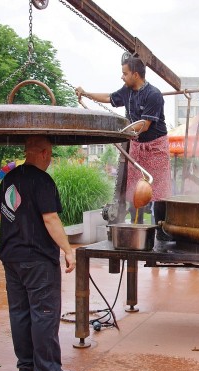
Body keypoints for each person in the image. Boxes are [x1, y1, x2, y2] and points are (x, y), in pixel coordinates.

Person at [0, 136, 77, 371]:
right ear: (44, 153)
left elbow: (4, 215)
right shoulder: (42, 180)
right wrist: (68, 250)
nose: (50, 159)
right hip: (37, 259)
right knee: (44, 313)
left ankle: (26, 366)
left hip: (11, 257)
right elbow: (51, 218)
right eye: (50, 154)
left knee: (19, 312)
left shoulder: (9, 179)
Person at [75, 55, 172, 239]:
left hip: (156, 148)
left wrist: (119, 129)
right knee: (135, 191)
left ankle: (162, 233)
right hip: (136, 145)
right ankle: (137, 229)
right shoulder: (127, 90)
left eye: (125, 73)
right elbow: (109, 97)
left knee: (159, 193)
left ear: (136, 74)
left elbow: (145, 125)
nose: (122, 77)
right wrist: (86, 93)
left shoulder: (154, 95)